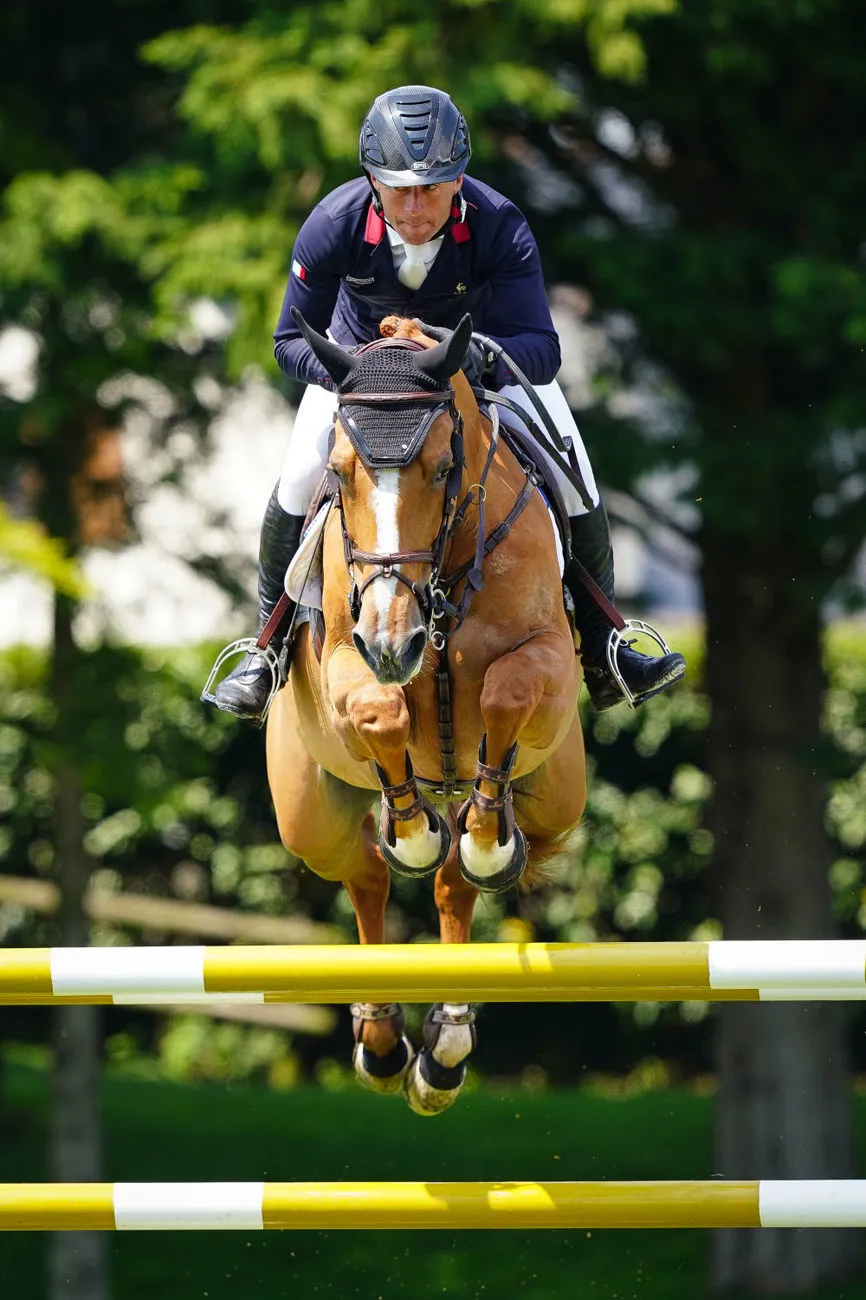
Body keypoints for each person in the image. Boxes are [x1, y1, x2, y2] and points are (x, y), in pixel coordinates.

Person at [211, 84, 685, 721]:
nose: (414, 207)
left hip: (476, 370)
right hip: (363, 382)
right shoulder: (333, 223)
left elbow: (542, 349)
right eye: (398, 189)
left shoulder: (498, 223)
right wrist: (356, 372)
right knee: (298, 478)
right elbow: (288, 341)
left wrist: (477, 358)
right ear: (373, 181)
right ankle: (264, 652)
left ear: (458, 179)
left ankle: (607, 646)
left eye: (431, 188)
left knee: (573, 473)